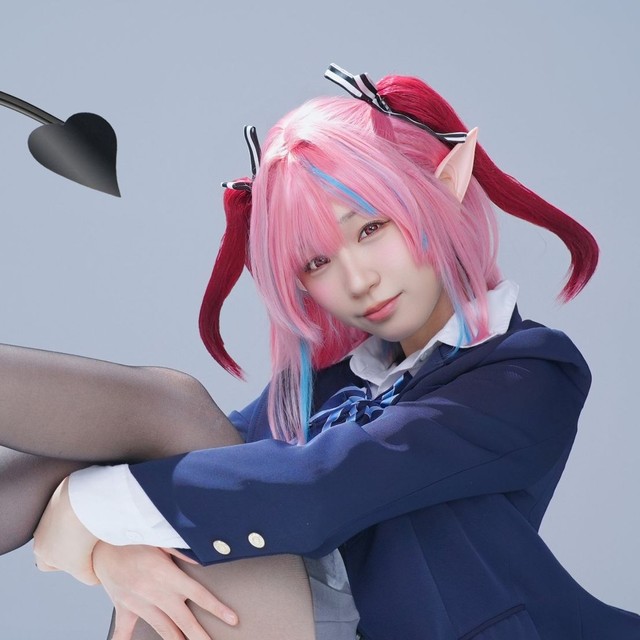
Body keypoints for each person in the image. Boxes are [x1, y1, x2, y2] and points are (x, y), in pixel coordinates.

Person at [2, 64, 639, 639]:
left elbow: (318, 491)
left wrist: (85, 511)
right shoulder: (330, 384)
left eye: (372, 228)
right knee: (168, 434)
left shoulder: (529, 372)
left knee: (171, 409)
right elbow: (199, 466)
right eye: (316, 262)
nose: (358, 279)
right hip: (278, 617)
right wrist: (112, 553)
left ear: (445, 185)